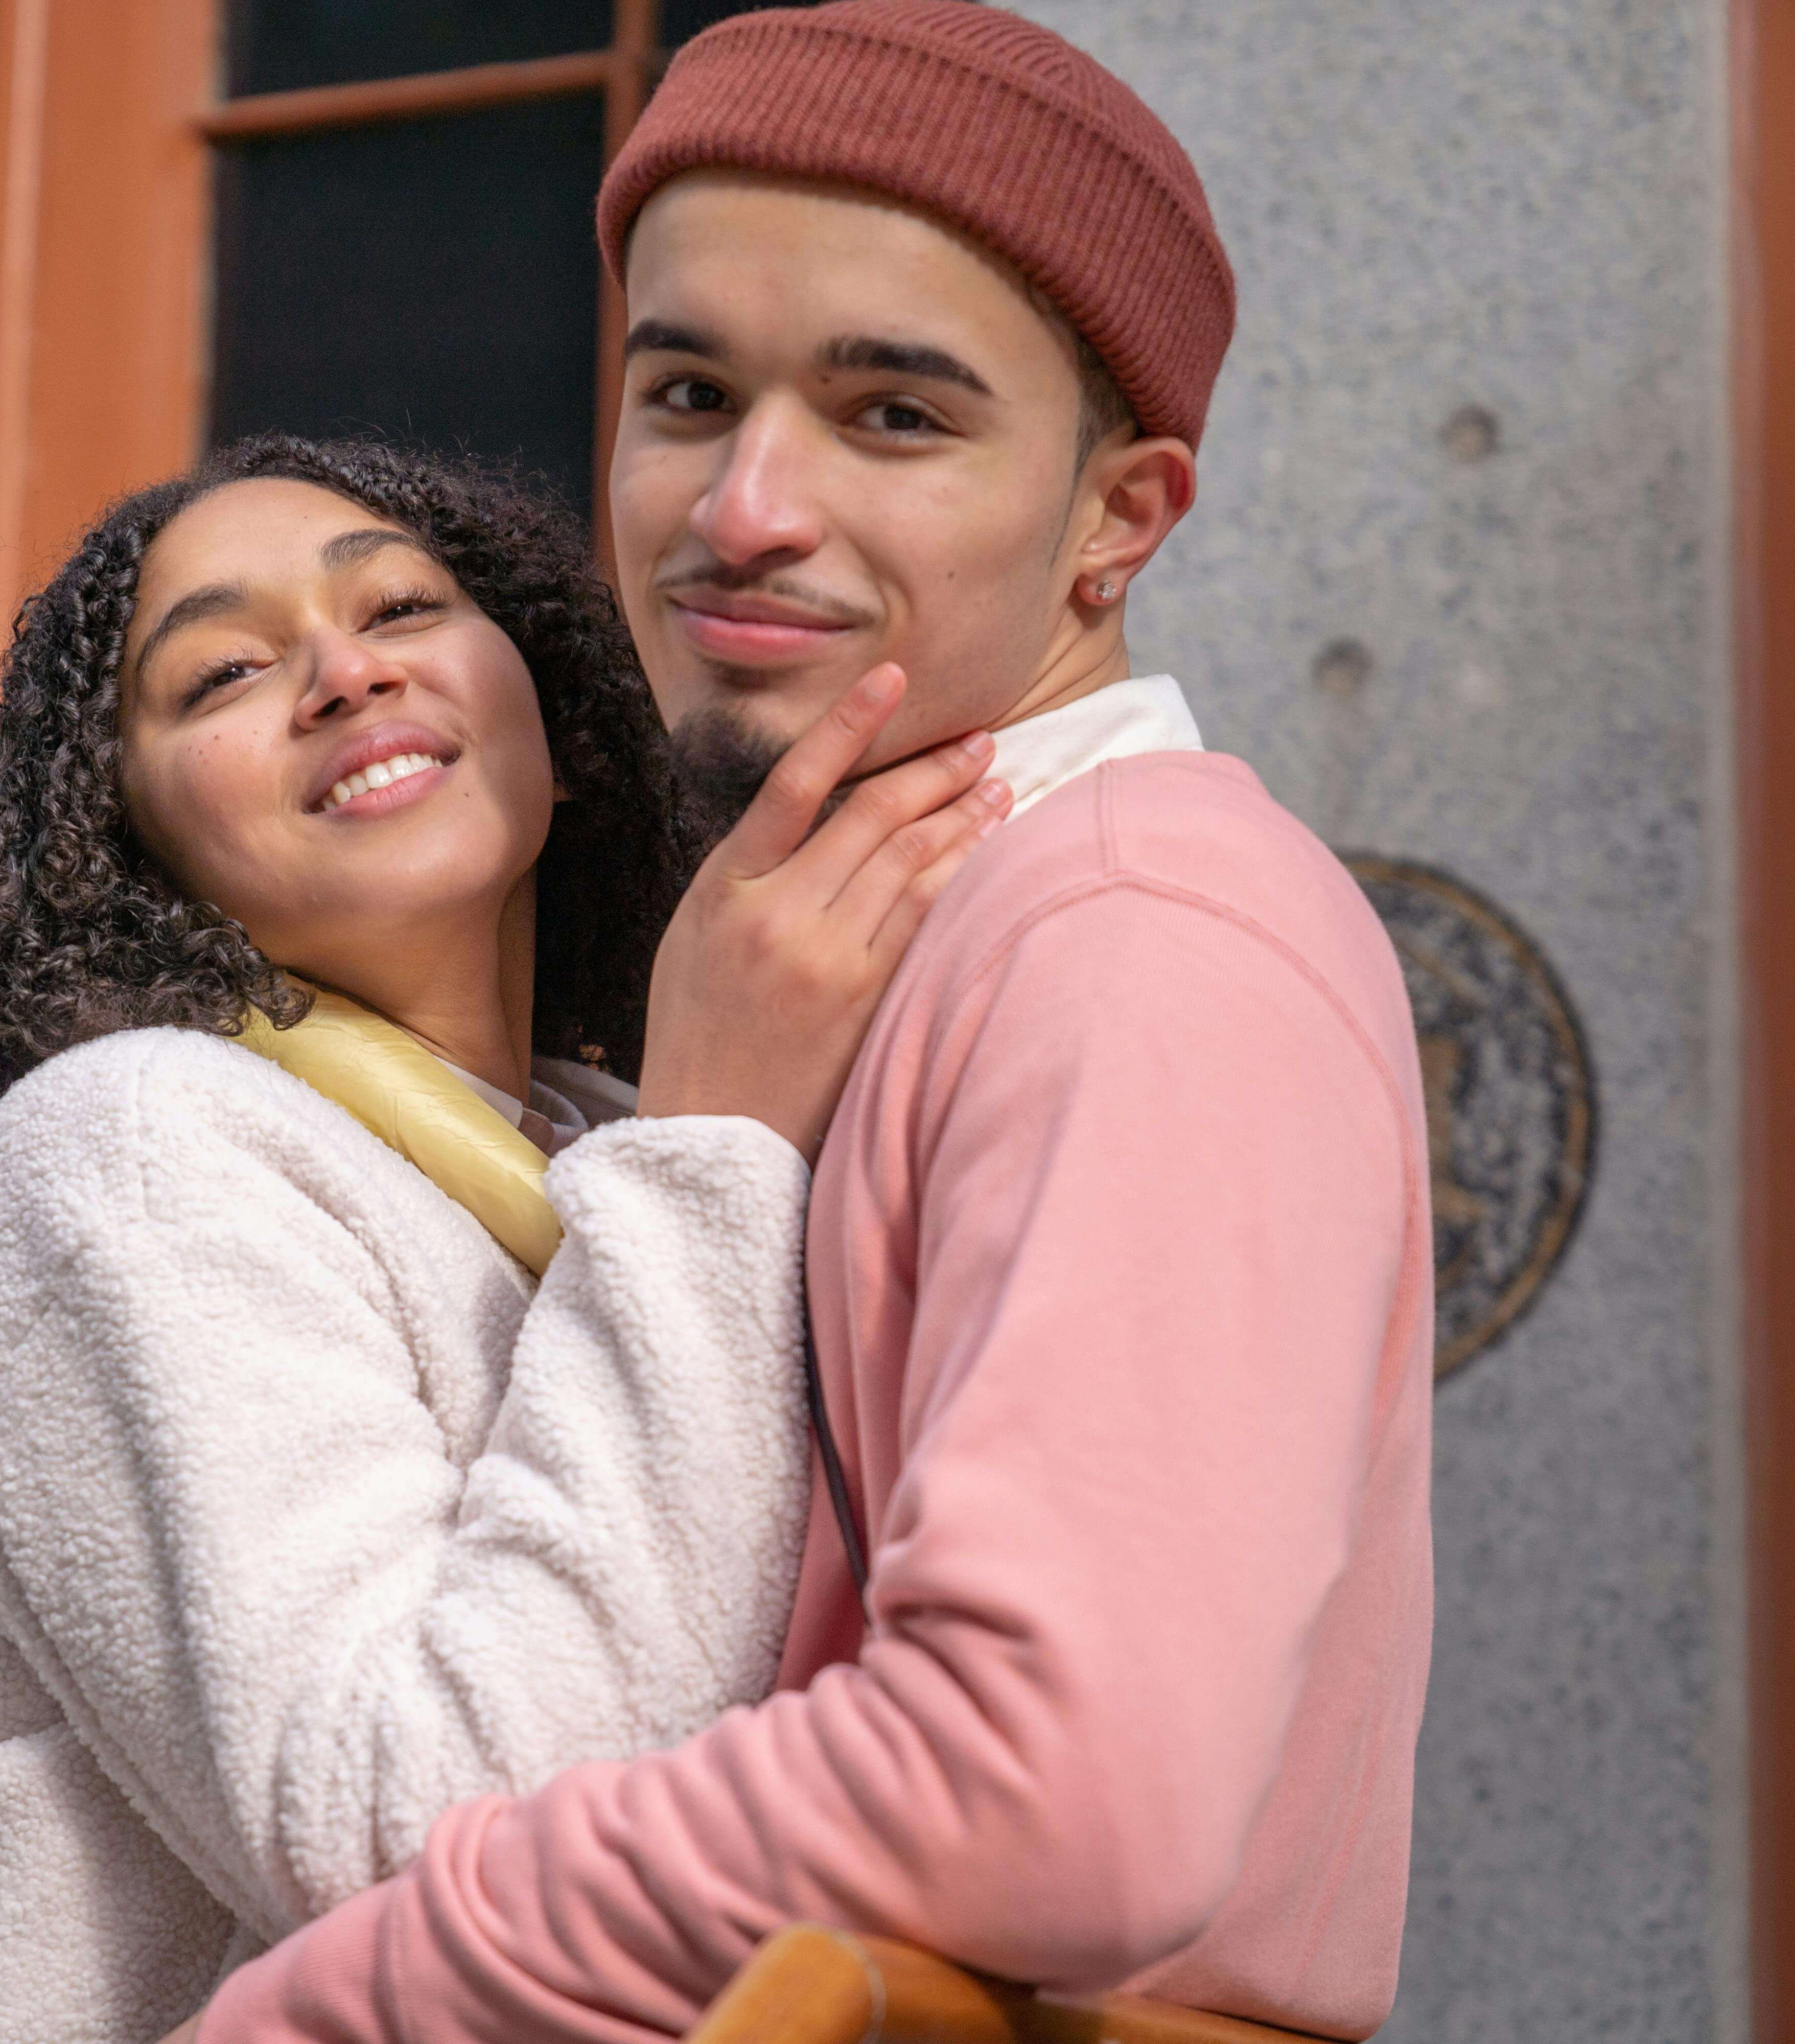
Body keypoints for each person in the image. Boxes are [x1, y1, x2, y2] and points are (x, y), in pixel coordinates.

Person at [177, 6, 1435, 2042]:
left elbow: (1057, 1786)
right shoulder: (879, 940)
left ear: (1120, 519)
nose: (744, 505)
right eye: (688, 392)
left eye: (892, 417)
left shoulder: (1137, 935)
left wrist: (328, 2005)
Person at [0, 434, 1006, 2042]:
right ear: (127, 848)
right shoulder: (123, 1153)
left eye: (402, 605)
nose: (345, 672)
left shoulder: (603, 1142)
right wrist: (720, 1147)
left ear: (548, 710)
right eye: (221, 676)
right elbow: (419, 1844)